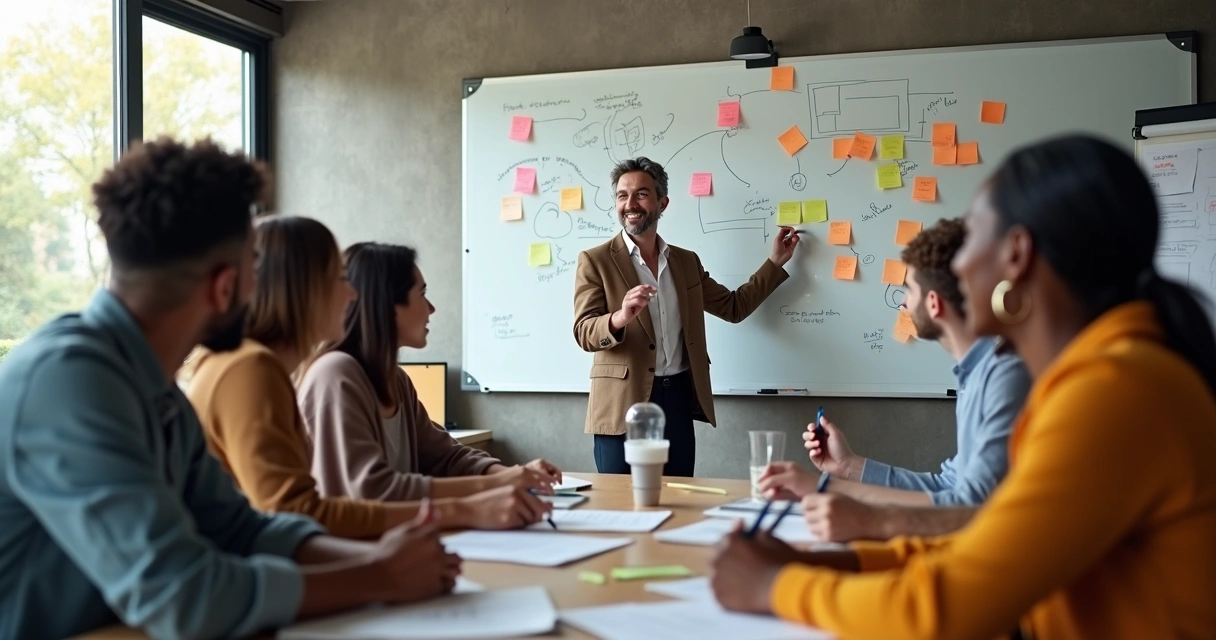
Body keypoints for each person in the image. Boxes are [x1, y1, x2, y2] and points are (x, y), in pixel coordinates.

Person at [710, 135, 1216, 639]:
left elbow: (941, 611)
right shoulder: (1099, 376)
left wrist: (775, 586)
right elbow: (993, 537)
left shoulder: (1114, 392)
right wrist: (833, 563)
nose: (957, 267)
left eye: (971, 238)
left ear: (1016, 254)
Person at [0, 139, 461, 640]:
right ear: (224, 288)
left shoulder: (155, 388)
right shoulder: (68, 382)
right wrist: (377, 576)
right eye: (253, 268)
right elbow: (182, 596)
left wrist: (380, 560)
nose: (260, 289)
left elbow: (241, 530)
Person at [188, 216, 546, 537]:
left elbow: (302, 513)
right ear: (301, 289)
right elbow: (309, 511)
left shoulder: (265, 368)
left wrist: (500, 479)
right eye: (337, 279)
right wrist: (467, 507)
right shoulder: (265, 370)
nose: (350, 295)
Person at [758, 218, 1031, 541]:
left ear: (934, 303)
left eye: (909, 290)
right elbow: (949, 486)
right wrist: (848, 467)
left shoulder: (1006, 374)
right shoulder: (976, 373)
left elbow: (971, 507)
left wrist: (824, 488)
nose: (902, 302)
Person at [297, 241, 559, 519]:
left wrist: (511, 474)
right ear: (387, 305)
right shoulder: (335, 375)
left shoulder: (396, 380)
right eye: (422, 294)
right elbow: (371, 490)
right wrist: (494, 485)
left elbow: (445, 456)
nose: (431, 308)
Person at [573, 157, 800, 476]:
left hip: (677, 396)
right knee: (620, 497)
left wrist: (774, 263)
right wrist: (620, 317)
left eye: (641, 194)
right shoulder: (595, 260)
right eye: (622, 195)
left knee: (679, 494)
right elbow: (584, 331)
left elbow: (733, 307)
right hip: (622, 404)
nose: (630, 204)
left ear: (662, 203)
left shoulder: (685, 262)